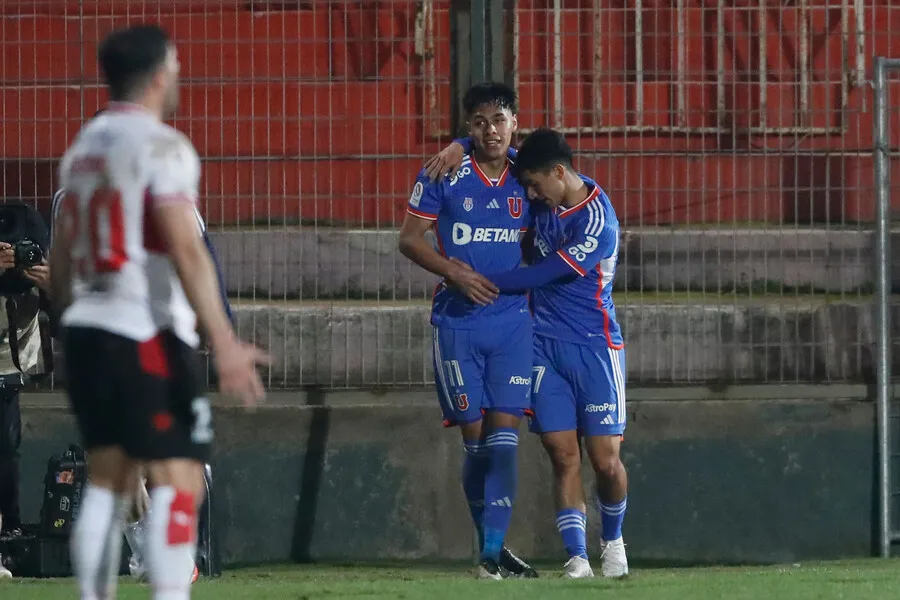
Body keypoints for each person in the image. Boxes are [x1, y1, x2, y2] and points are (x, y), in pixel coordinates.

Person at [50, 24, 268, 600]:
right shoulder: (162, 146)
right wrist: (223, 343)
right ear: (160, 73)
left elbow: (62, 258)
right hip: (144, 332)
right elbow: (187, 248)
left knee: (108, 482)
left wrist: (73, 327)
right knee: (180, 478)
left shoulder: (82, 150)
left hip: (88, 331)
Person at [50, 111, 232, 585]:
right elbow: (197, 255)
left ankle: (140, 553)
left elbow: (62, 271)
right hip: (149, 336)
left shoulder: (72, 191)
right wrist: (220, 327)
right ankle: (165, 558)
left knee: (116, 465)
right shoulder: (162, 183)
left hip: (96, 338)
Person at [448, 128, 629, 578]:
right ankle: (578, 559)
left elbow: (544, 274)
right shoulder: (545, 199)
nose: (529, 193)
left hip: (595, 348)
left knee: (605, 459)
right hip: (543, 346)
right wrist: (463, 144)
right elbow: (502, 145)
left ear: (559, 173)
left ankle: (613, 541)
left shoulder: (597, 222)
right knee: (561, 452)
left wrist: (474, 280)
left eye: (535, 184)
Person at [398, 82, 537, 580]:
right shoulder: (445, 172)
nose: (490, 130)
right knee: (476, 444)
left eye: (499, 119)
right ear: (468, 127)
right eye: (478, 123)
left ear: (515, 122)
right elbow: (409, 240)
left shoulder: (530, 172)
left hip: (514, 324)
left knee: (505, 440)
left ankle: (490, 555)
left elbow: (569, 183)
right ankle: (492, 547)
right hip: (457, 325)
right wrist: (453, 271)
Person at [0, 208, 54, 581]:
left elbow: (74, 322)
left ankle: (10, 535)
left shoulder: (36, 278)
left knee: (7, 452)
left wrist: (56, 286)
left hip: (8, 373)